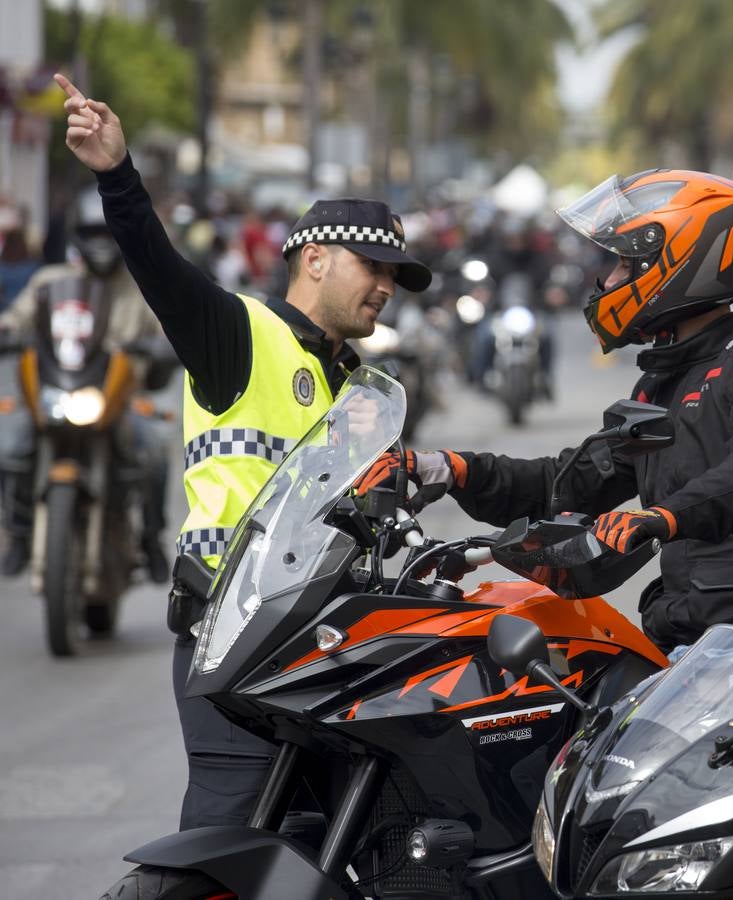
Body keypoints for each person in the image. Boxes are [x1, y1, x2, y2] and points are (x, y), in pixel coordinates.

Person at [57, 73, 431, 829]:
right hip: (234, 636)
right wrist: (116, 174)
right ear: (316, 260)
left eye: (395, 275)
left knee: (359, 833)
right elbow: (156, 266)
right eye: (375, 268)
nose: (388, 287)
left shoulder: (358, 385)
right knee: (236, 834)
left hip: (326, 640)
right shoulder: (237, 334)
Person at [360, 169, 733, 653]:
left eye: (624, 265)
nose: (608, 280)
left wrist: (662, 516)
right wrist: (455, 468)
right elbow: (570, 485)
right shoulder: (661, 386)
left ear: (679, 263)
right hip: (691, 646)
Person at [0, 188, 172, 579]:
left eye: (108, 233)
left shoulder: (142, 287)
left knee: (154, 454)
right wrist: (7, 329)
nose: (101, 243)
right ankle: (21, 534)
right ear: (78, 235)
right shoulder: (50, 281)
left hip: (118, 401)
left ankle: (152, 539)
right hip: (57, 391)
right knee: (12, 448)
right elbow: (17, 317)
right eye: (93, 233)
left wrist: (165, 344)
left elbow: (166, 330)